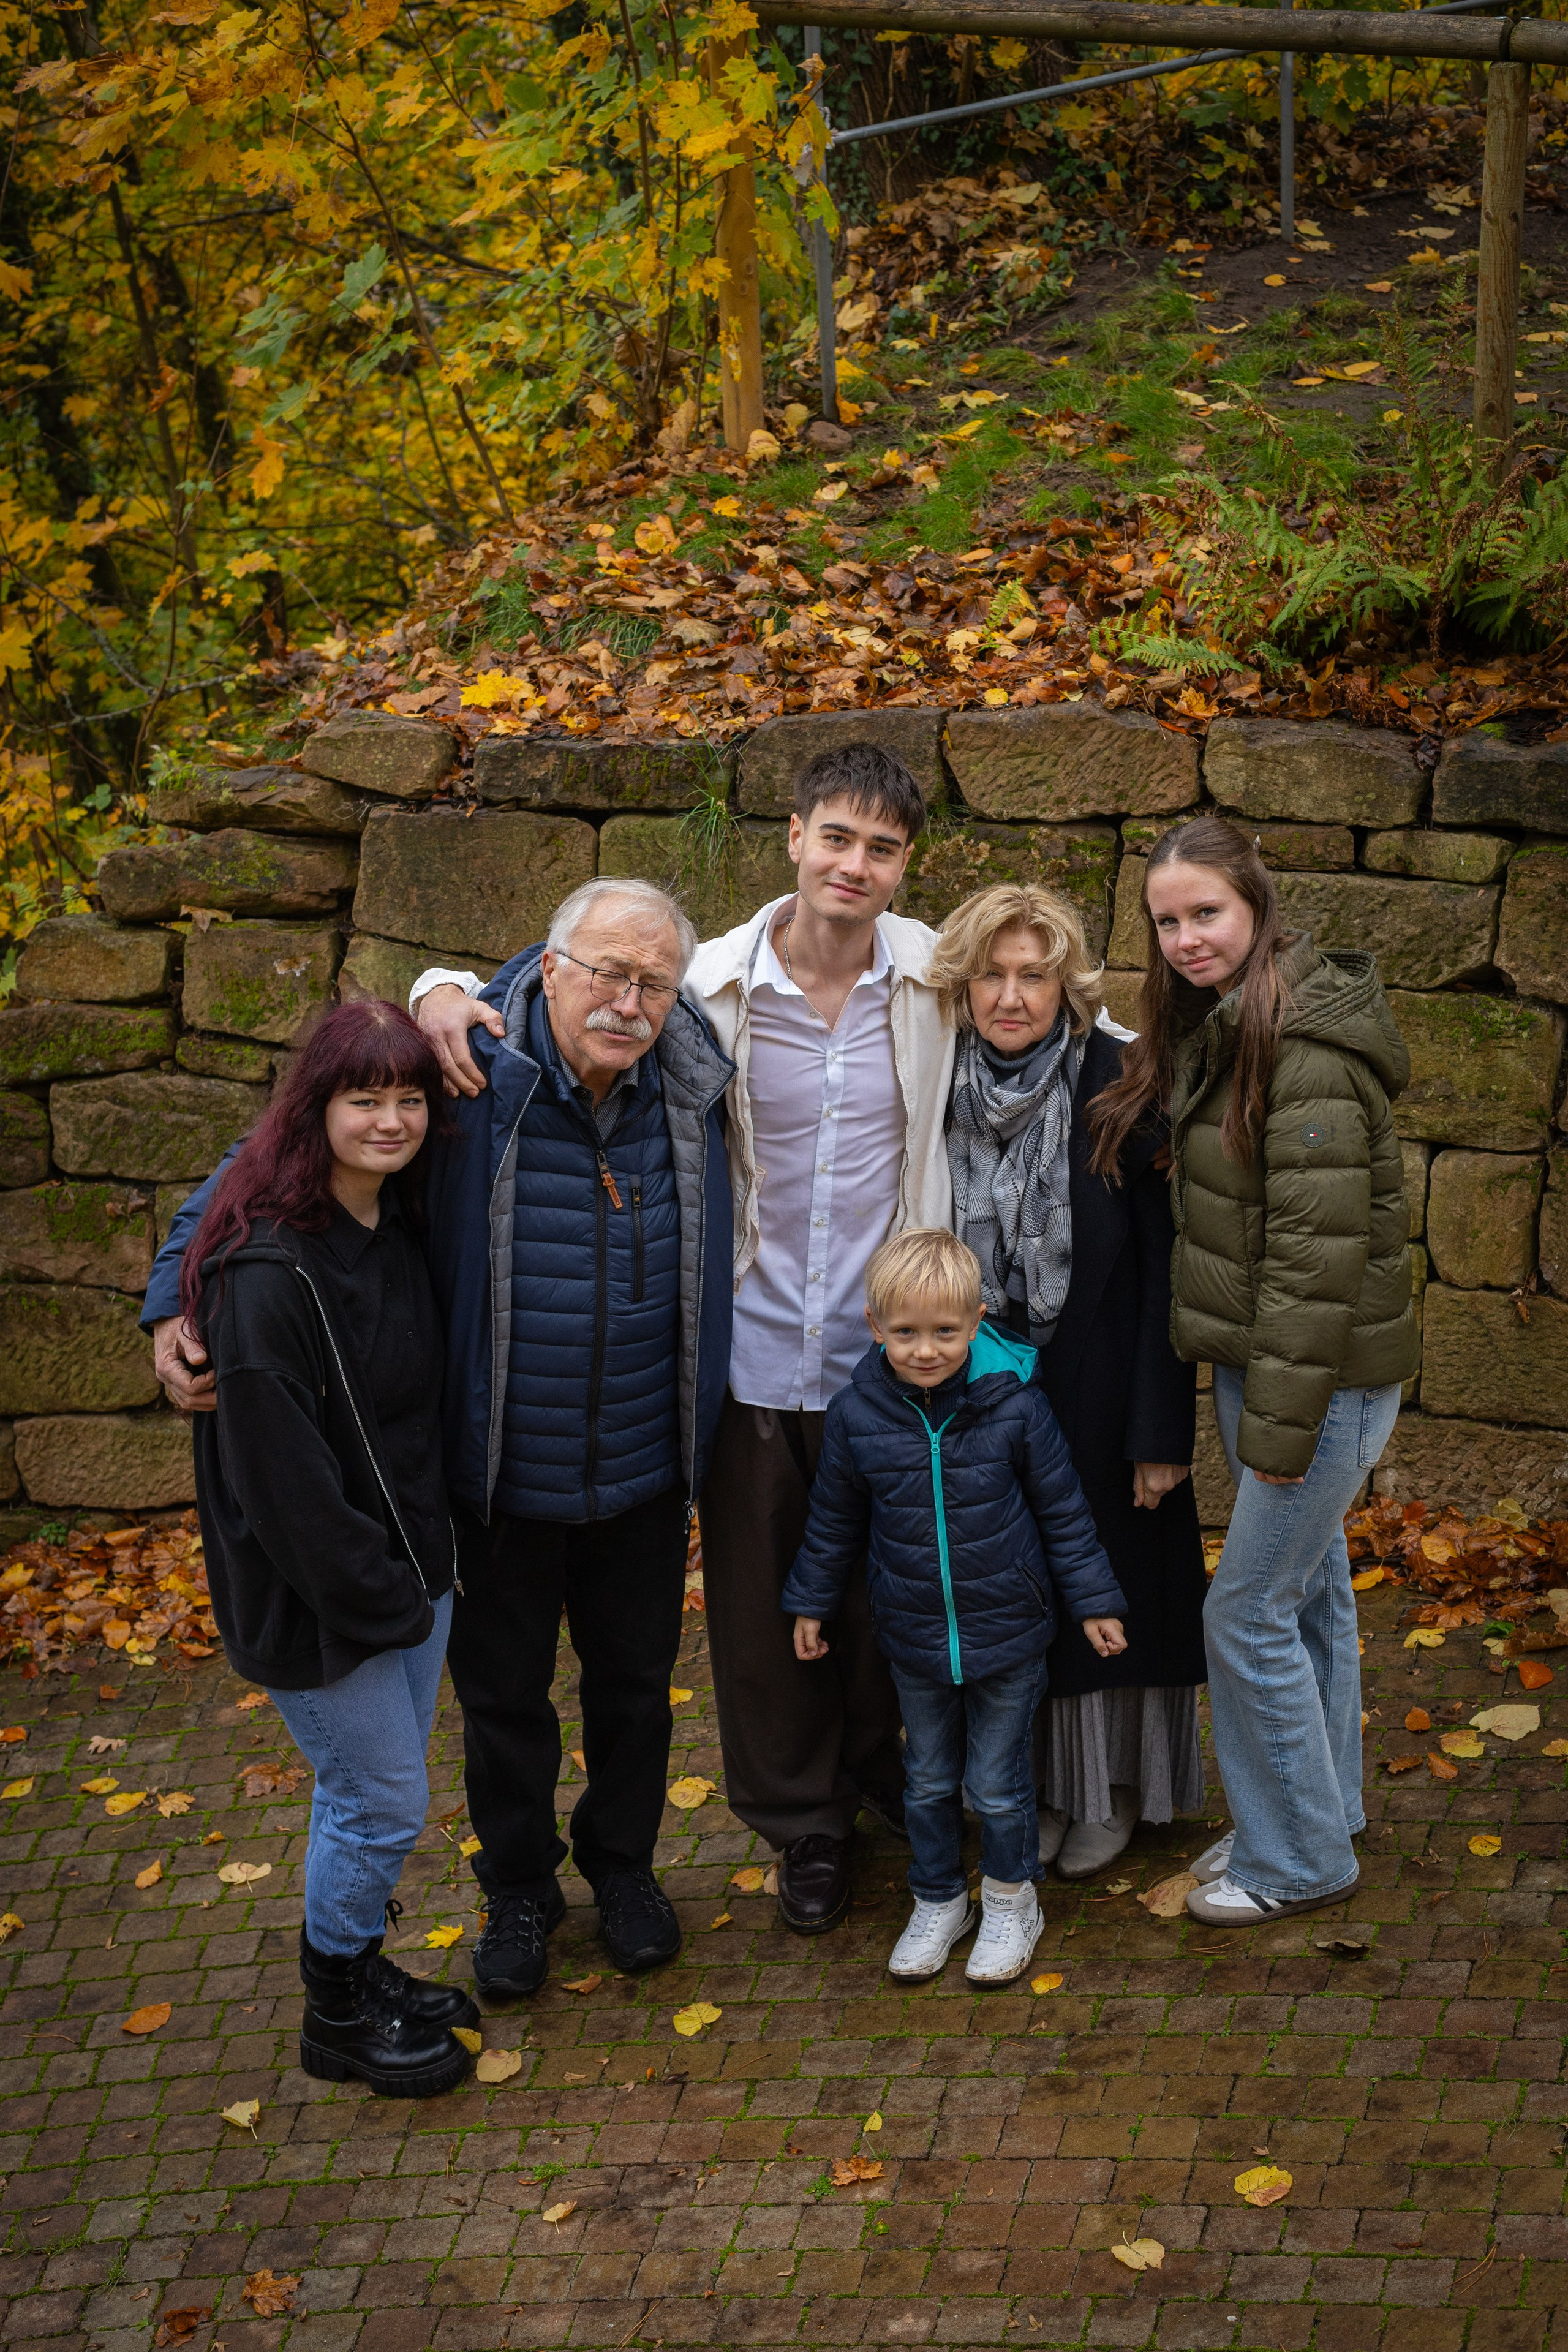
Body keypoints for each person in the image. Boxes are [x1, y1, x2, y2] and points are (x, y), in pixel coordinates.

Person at [149, 878, 736, 1999]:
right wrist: (168, 1300)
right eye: (606, 973)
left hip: (646, 1465)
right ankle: (517, 1889)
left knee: (634, 1692)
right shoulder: (464, 1075)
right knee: (504, 1705)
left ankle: (624, 1869)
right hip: (496, 1474)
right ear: (548, 968)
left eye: (654, 982)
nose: (628, 1001)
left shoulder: (698, 1078)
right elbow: (260, 1163)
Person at [1088, 814, 1419, 1926]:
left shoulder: (1303, 1052)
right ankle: (1320, 1811)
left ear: (1258, 905)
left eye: (1207, 912)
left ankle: (1297, 1864)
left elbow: (1317, 1269)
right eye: (1167, 920)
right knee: (1310, 1595)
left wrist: (1278, 1434)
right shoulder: (1221, 1024)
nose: (1187, 937)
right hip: (1266, 1367)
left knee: (1245, 1613)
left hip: (1316, 1383)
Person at [682, 742, 958, 1934]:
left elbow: (1067, 1005)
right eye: (836, 837)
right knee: (760, 1610)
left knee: (883, 1595)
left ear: (905, 865)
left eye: (881, 848)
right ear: (794, 837)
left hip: (882, 1352)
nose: (854, 864)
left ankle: (878, 1770)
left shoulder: (938, 977)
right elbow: (563, 980)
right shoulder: (705, 984)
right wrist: (443, 986)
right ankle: (803, 1822)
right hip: (748, 1350)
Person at [178, 999, 473, 2098]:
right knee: (382, 1800)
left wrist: (425, 1577)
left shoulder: (390, 1220)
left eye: (409, 1098)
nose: (391, 1120)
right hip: (325, 1601)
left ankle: (356, 1965)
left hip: (411, 1571)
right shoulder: (265, 1274)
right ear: (316, 1109)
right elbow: (283, 1487)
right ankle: (336, 2016)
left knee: (359, 1793)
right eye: (365, 1098)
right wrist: (386, 1600)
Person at [929, 884, 1208, 1880]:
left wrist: (1161, 1432)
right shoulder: (932, 1079)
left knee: (1117, 1592)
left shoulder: (1120, 1082)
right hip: (986, 1387)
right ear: (962, 986)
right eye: (991, 975)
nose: (1011, 997)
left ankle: (1116, 1791)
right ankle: (1039, 1789)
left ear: (1067, 985)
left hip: (1104, 1383)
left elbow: (1167, 1268)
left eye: (1034, 976)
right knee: (1018, 1597)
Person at [783, 1229, 1126, 1984]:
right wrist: (811, 1603)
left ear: (975, 1322)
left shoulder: (1016, 1407)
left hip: (1010, 1631)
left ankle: (1010, 1900)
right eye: (905, 1333)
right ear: (875, 1327)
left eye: (944, 1331)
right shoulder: (857, 1415)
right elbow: (833, 1521)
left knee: (997, 1788)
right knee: (929, 1782)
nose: (925, 1350)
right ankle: (938, 1898)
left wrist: (1095, 1603)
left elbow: (1064, 1513)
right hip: (912, 1636)